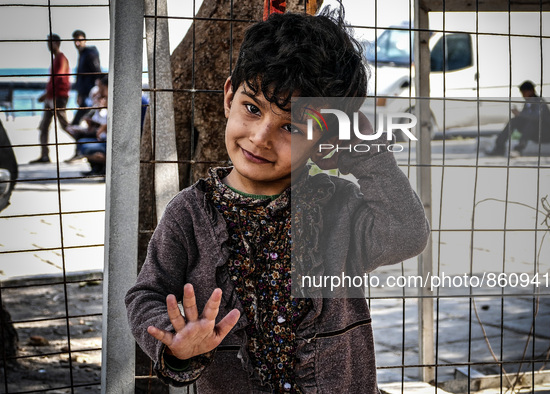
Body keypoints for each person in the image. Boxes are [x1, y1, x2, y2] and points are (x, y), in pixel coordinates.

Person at [125, 8, 430, 393]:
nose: (260, 137)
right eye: (251, 108)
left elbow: (406, 232)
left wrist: (365, 152)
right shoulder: (189, 214)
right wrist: (176, 342)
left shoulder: (338, 207)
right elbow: (146, 293)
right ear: (228, 96)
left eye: (292, 126)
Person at [486, 80, 550, 156]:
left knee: (532, 122)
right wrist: (518, 115)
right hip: (534, 131)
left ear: (531, 91)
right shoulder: (527, 103)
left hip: (546, 133)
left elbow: (537, 117)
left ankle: (519, 148)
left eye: (524, 92)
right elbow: (523, 118)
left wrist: (520, 114)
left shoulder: (539, 101)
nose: (523, 95)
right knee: (514, 121)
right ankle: (499, 147)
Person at [30, 34, 71, 164]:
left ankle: (81, 148)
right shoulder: (56, 59)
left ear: (56, 43)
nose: (47, 45)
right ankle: (44, 155)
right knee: (43, 127)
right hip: (51, 96)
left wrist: (46, 93)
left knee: (65, 125)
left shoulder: (61, 58)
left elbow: (58, 77)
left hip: (58, 97)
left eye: (49, 42)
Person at [76, 75, 108, 176]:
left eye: (100, 87)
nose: (98, 90)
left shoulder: (109, 102)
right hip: (102, 138)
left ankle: (104, 166)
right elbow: (96, 120)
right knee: (81, 141)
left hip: (106, 141)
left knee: (86, 147)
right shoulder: (102, 100)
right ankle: (97, 168)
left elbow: (106, 122)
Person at [71, 30, 101, 126]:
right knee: (84, 122)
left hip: (91, 95)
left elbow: (98, 73)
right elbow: (81, 77)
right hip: (85, 95)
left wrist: (98, 92)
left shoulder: (90, 54)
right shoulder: (82, 55)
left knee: (77, 123)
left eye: (79, 40)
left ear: (85, 40)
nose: (77, 43)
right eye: (75, 41)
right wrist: (79, 94)